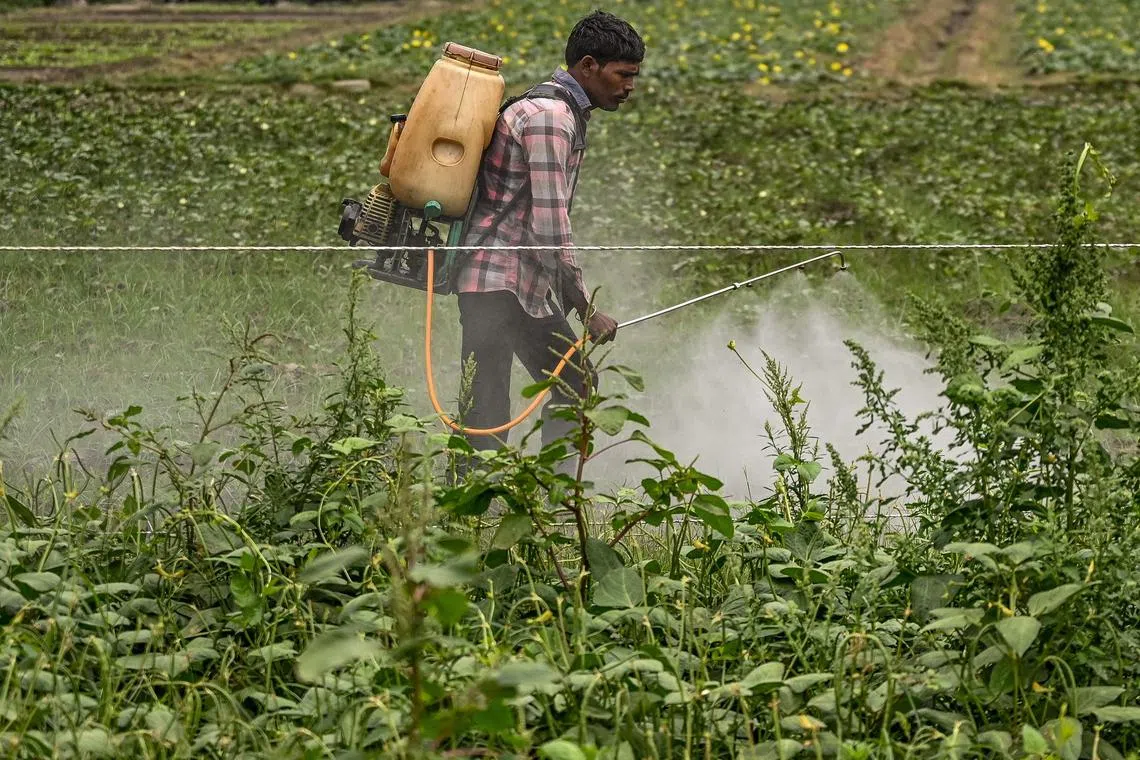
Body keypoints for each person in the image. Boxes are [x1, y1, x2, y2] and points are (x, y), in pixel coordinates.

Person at [452, 10, 644, 461]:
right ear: (589, 65)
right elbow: (550, 226)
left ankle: (554, 501)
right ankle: (469, 513)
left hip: (520, 285)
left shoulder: (558, 110)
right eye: (624, 74)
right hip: (494, 280)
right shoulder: (551, 118)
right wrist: (586, 308)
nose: (630, 86)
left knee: (573, 382)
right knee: (487, 405)